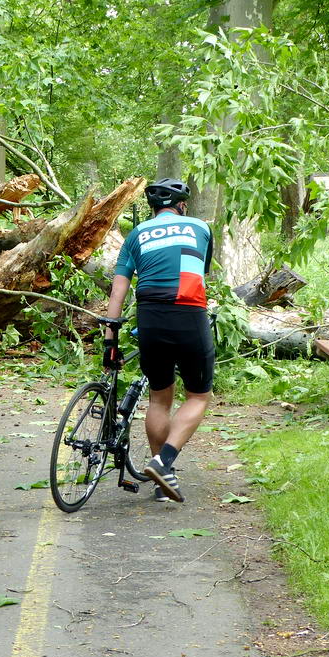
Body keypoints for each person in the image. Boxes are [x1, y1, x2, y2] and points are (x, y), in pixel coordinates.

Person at [104, 177, 215, 502]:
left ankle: (161, 485)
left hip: (150, 317)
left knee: (158, 398)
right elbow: (200, 272)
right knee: (198, 396)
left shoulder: (135, 235)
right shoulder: (200, 227)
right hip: (188, 313)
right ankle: (163, 462)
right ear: (182, 205)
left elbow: (118, 291)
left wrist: (110, 339)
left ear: (152, 208)